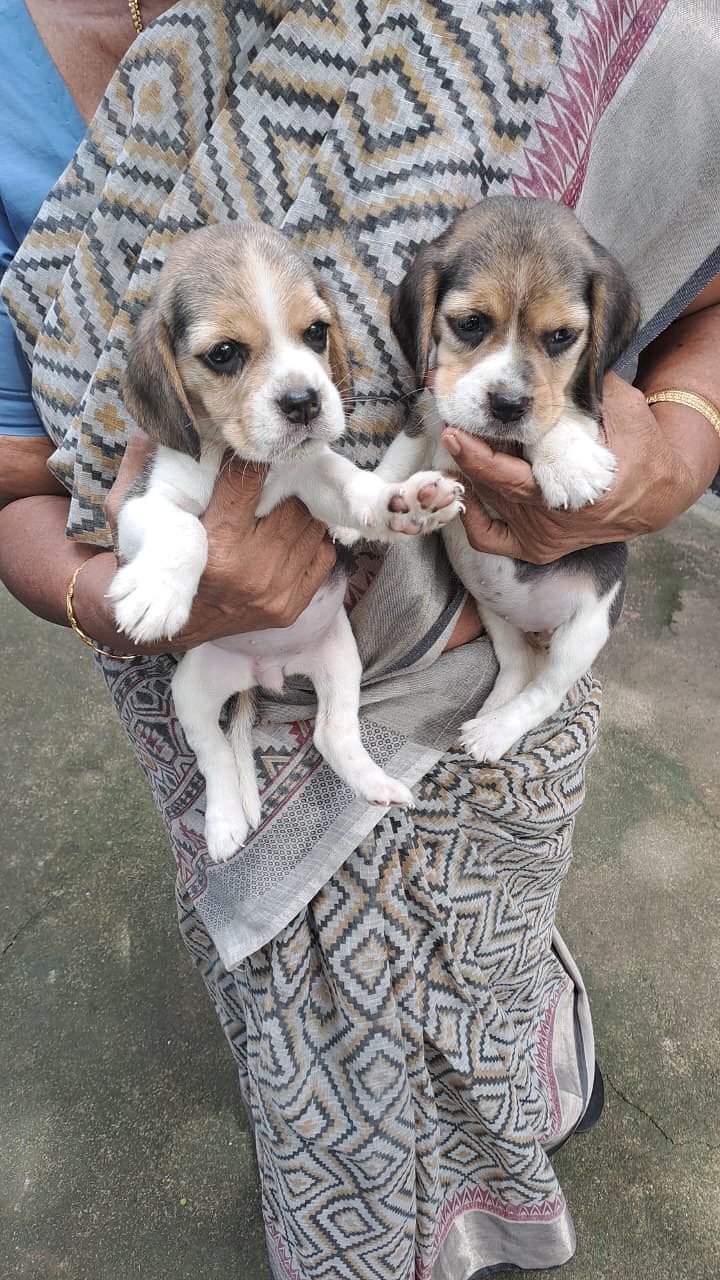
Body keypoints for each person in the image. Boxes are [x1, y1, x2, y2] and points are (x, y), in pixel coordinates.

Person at [1, 2, 719, 1277]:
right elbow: (13, 476)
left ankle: (525, 1105)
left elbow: (697, 221)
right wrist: (104, 598)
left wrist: (677, 440)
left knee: (495, 941)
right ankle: (359, 1214)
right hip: (204, 672)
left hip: (482, 655)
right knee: (304, 1016)